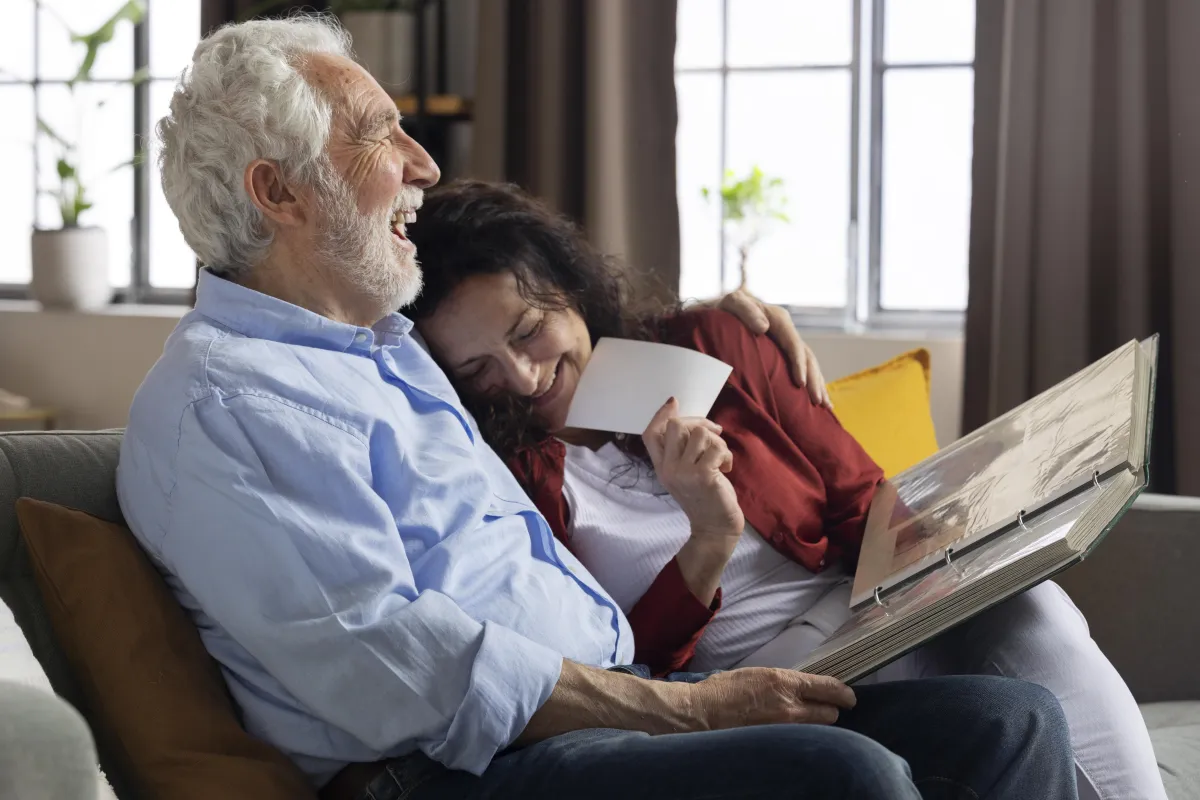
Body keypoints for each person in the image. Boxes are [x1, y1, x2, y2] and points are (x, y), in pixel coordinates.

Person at [116, 15, 1079, 800]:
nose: (423, 164)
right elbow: (399, 673)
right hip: (454, 767)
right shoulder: (226, 403)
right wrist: (692, 710)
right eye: (378, 134)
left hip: (615, 702)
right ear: (279, 191)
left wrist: (720, 323)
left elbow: (577, 337)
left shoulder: (384, 353)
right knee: (845, 776)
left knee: (1010, 719)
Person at [404, 179, 1166, 800]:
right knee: (1006, 714)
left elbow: (862, 498)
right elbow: (621, 667)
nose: (523, 378)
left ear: (570, 291)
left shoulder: (711, 341)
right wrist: (708, 537)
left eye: (530, 330)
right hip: (750, 680)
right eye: (476, 372)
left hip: (871, 613)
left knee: (1034, 607)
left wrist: (962, 532)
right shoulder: (506, 476)